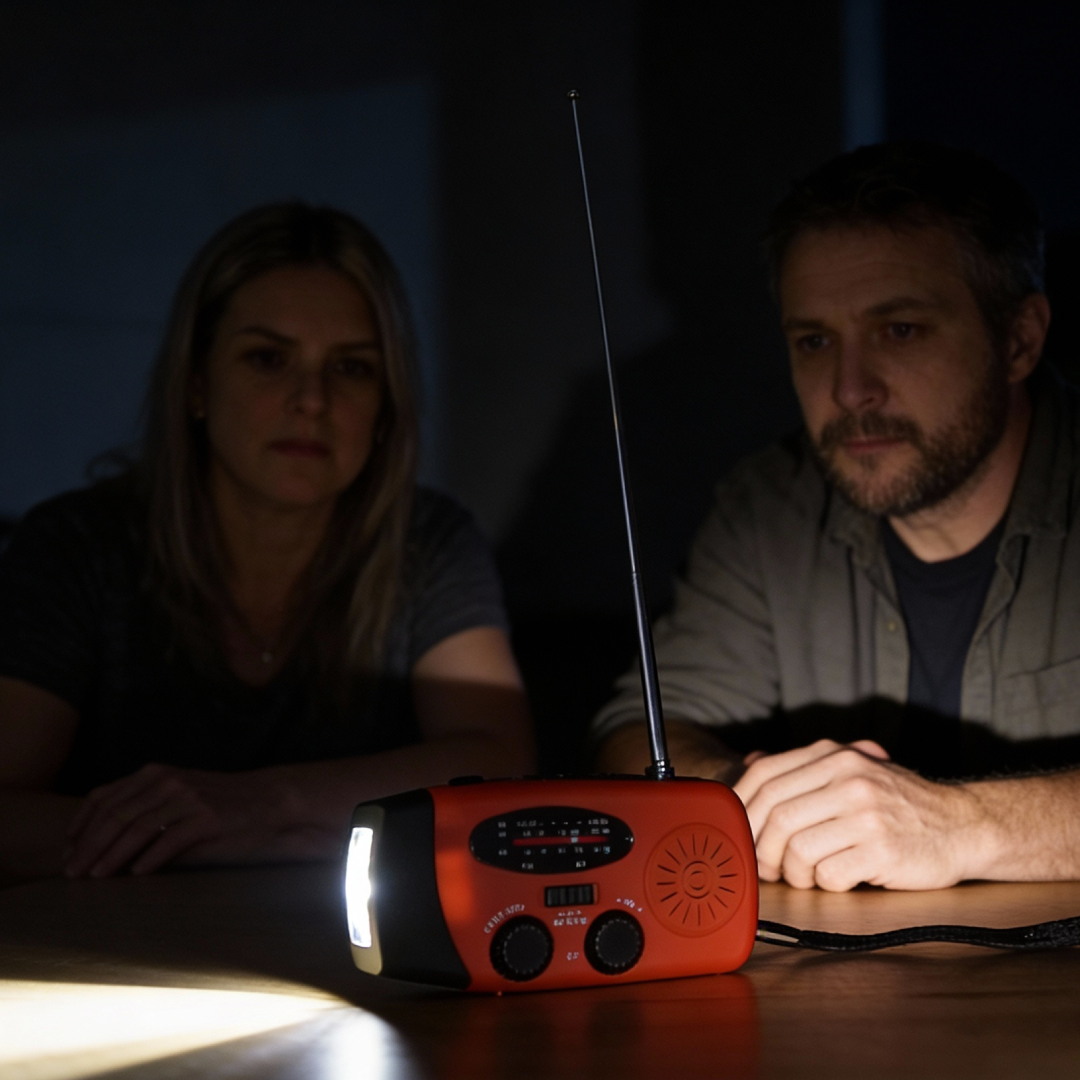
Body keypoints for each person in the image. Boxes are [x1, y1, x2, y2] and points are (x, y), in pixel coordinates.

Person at [595, 141, 1080, 892]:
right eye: (815, 341)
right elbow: (638, 734)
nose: (851, 389)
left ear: (1019, 340)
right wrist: (757, 798)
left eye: (901, 330)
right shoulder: (769, 508)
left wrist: (964, 827)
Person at [0, 203, 533, 881]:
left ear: (386, 405)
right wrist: (202, 833)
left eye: (350, 368)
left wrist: (269, 806)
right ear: (196, 383)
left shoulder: (427, 541)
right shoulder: (78, 546)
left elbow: (501, 764)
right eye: (268, 358)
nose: (310, 399)